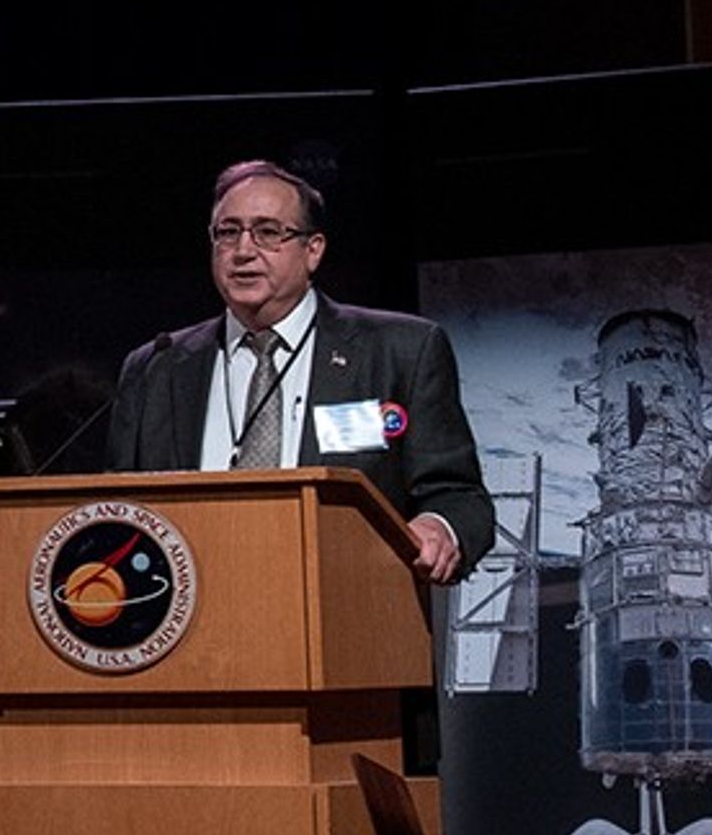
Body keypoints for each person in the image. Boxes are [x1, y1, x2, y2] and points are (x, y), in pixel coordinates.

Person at [106, 158, 494, 584]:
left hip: (347, 603)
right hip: (194, 611)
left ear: (313, 250)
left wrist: (439, 527)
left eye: (268, 232)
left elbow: (459, 497)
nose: (243, 250)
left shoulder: (401, 351)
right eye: (228, 232)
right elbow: (115, 509)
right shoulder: (156, 367)